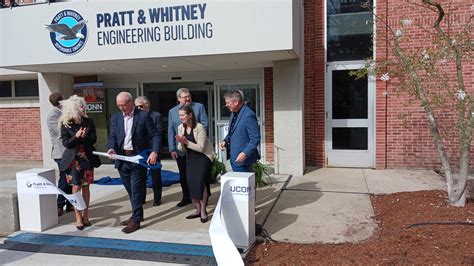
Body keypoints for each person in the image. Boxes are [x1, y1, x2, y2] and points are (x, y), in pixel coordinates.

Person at [107, 92, 160, 234]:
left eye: (123, 105)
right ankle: (137, 214)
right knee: (130, 190)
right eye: (118, 105)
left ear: (130, 103)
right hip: (122, 159)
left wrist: (154, 152)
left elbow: (155, 135)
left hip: (137, 158)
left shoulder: (143, 116)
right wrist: (111, 148)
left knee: (136, 189)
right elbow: (112, 135)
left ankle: (135, 221)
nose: (121, 108)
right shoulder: (116, 117)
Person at [58, 95, 97, 231]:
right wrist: (76, 136)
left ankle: (86, 216)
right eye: (80, 105)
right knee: (75, 188)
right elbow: (66, 143)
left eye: (83, 105)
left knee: (86, 187)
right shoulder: (65, 123)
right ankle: (78, 217)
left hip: (86, 159)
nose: (83, 107)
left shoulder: (89, 121)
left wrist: (85, 137)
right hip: (73, 161)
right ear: (73, 108)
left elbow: (93, 139)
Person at [168, 88, 208, 207]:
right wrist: (172, 149)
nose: (188, 98)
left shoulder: (199, 107)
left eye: (189, 96)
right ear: (178, 99)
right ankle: (186, 197)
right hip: (181, 149)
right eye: (185, 97)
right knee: (183, 175)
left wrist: (195, 140)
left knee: (200, 175)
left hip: (198, 148)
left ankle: (203, 197)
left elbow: (205, 125)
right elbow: (170, 131)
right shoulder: (172, 111)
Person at [176, 105, 215, 223]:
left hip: (204, 157)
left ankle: (203, 210)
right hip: (191, 158)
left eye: (183, 115)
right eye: (179, 115)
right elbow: (181, 149)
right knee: (191, 183)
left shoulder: (199, 127)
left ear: (190, 115)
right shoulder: (180, 127)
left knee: (200, 183)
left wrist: (186, 142)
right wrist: (181, 143)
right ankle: (197, 209)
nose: (180, 117)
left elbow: (201, 148)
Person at [220, 89, 260, 172]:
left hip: (243, 161)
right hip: (234, 158)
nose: (226, 105)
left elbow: (255, 138)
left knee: (244, 184)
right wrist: (225, 140)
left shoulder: (248, 115)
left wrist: (245, 153)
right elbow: (232, 132)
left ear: (236, 102)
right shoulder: (233, 113)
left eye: (228, 102)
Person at [47, 92, 73, 217]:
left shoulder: (63, 112)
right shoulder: (52, 116)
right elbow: (62, 132)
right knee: (64, 177)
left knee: (70, 178)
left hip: (69, 151)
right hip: (60, 152)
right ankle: (59, 205)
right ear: (60, 102)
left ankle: (69, 203)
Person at [134, 96, 164, 206]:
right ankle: (141, 198)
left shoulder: (156, 116)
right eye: (136, 106)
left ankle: (157, 198)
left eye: (141, 106)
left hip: (152, 150)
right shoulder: (135, 116)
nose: (138, 108)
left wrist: (154, 150)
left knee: (155, 175)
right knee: (140, 176)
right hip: (140, 151)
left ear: (147, 105)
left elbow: (158, 134)